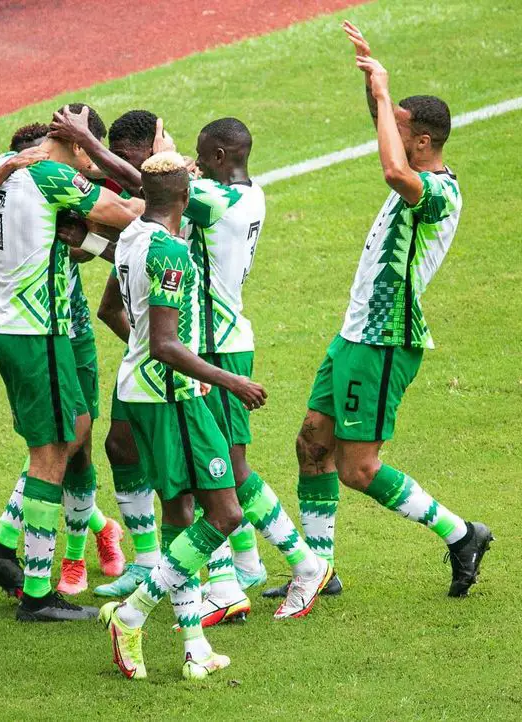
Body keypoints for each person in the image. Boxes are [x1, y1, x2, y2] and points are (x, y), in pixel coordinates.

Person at [54, 110, 331, 623]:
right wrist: (91, 240)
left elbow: (152, 190)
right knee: (204, 471)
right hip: (200, 348)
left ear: (221, 157)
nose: (195, 166)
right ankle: (230, 579)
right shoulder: (243, 196)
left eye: (201, 159)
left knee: (226, 471)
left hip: (217, 348)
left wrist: (87, 142)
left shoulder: (221, 202)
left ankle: (291, 568)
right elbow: (141, 242)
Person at [269, 22, 493, 601]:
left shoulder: (439, 193)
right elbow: (389, 137)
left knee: (357, 469)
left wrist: (387, 90)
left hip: (384, 339)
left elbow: (393, 169)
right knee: (312, 444)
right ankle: (319, 570)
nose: (386, 132)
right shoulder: (418, 167)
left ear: (422, 142)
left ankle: (462, 534)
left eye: (398, 128)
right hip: (356, 333)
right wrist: (374, 87)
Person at [0, 107, 142, 621]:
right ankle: (37, 594)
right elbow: (132, 216)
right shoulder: (54, 176)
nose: (90, 170)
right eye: (88, 156)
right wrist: (173, 182)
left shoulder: (8, 165)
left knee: (72, 430)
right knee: (51, 454)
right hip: (38, 331)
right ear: (78, 145)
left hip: (9, 325)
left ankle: (2, 548)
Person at [99, 151, 265, 679]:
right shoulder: (170, 250)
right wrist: (231, 381)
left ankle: (195, 647)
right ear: (187, 197)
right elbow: (166, 344)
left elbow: (111, 310)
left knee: (179, 516)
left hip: (141, 391)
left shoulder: (131, 236)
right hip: (173, 395)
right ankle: (131, 616)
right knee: (226, 515)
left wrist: (149, 358)